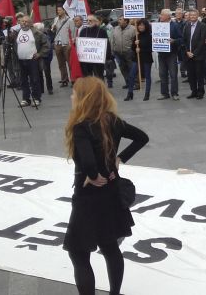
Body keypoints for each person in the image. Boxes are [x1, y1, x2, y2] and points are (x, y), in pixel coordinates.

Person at [63, 76, 149, 295]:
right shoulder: (112, 120)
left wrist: (92, 174)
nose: (72, 96)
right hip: (111, 193)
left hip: (88, 198)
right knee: (110, 246)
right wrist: (120, 158)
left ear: (84, 98)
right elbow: (142, 137)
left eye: (75, 93)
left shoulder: (81, 126)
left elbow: (89, 162)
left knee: (79, 253)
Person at [15, 16, 49, 107]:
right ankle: (26, 99)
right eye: (22, 21)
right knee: (23, 80)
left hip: (33, 60)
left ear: (31, 23)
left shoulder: (36, 33)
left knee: (34, 80)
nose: (24, 23)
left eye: (26, 21)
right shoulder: (17, 32)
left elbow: (46, 45)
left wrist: (40, 54)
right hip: (21, 60)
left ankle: (36, 98)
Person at [182, 10, 206, 99]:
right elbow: (184, 40)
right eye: (191, 15)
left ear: (197, 16)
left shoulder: (203, 26)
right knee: (191, 75)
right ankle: (193, 91)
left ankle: (200, 92)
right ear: (189, 16)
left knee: (199, 74)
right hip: (188, 55)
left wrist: (194, 53)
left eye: (194, 15)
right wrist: (187, 51)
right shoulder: (186, 26)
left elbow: (202, 41)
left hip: (199, 55)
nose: (192, 16)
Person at [156, 9, 182, 101]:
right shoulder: (158, 26)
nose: (160, 16)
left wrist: (174, 41)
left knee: (173, 74)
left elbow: (181, 39)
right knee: (162, 74)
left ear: (168, 16)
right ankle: (164, 93)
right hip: (161, 53)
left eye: (162, 15)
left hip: (171, 54)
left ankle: (174, 93)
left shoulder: (175, 26)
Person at [125, 19, 153, 102]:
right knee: (131, 75)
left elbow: (151, 49)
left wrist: (140, 49)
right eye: (139, 25)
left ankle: (147, 93)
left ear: (146, 26)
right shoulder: (137, 36)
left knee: (147, 76)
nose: (140, 27)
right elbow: (133, 48)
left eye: (142, 25)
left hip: (147, 58)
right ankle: (130, 93)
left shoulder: (150, 36)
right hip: (137, 58)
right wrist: (135, 44)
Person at [79, 15, 111, 80]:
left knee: (99, 77)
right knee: (87, 78)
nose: (88, 22)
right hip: (86, 60)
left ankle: (100, 89)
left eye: (90, 20)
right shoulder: (83, 31)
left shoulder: (102, 31)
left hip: (98, 60)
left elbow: (107, 44)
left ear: (95, 21)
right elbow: (80, 45)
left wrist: (107, 56)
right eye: (87, 20)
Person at [51, 6, 74, 87]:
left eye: (60, 10)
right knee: (61, 63)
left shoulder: (70, 20)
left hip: (66, 43)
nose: (58, 11)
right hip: (58, 43)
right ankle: (64, 79)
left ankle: (73, 79)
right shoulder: (56, 19)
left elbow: (73, 32)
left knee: (69, 62)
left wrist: (71, 43)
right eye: (57, 10)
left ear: (64, 10)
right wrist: (53, 28)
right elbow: (54, 30)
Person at [34, 22, 54, 95]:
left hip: (45, 57)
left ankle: (49, 88)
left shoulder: (45, 36)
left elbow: (48, 47)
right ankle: (42, 88)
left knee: (47, 73)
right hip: (38, 57)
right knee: (40, 73)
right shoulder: (35, 36)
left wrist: (41, 53)